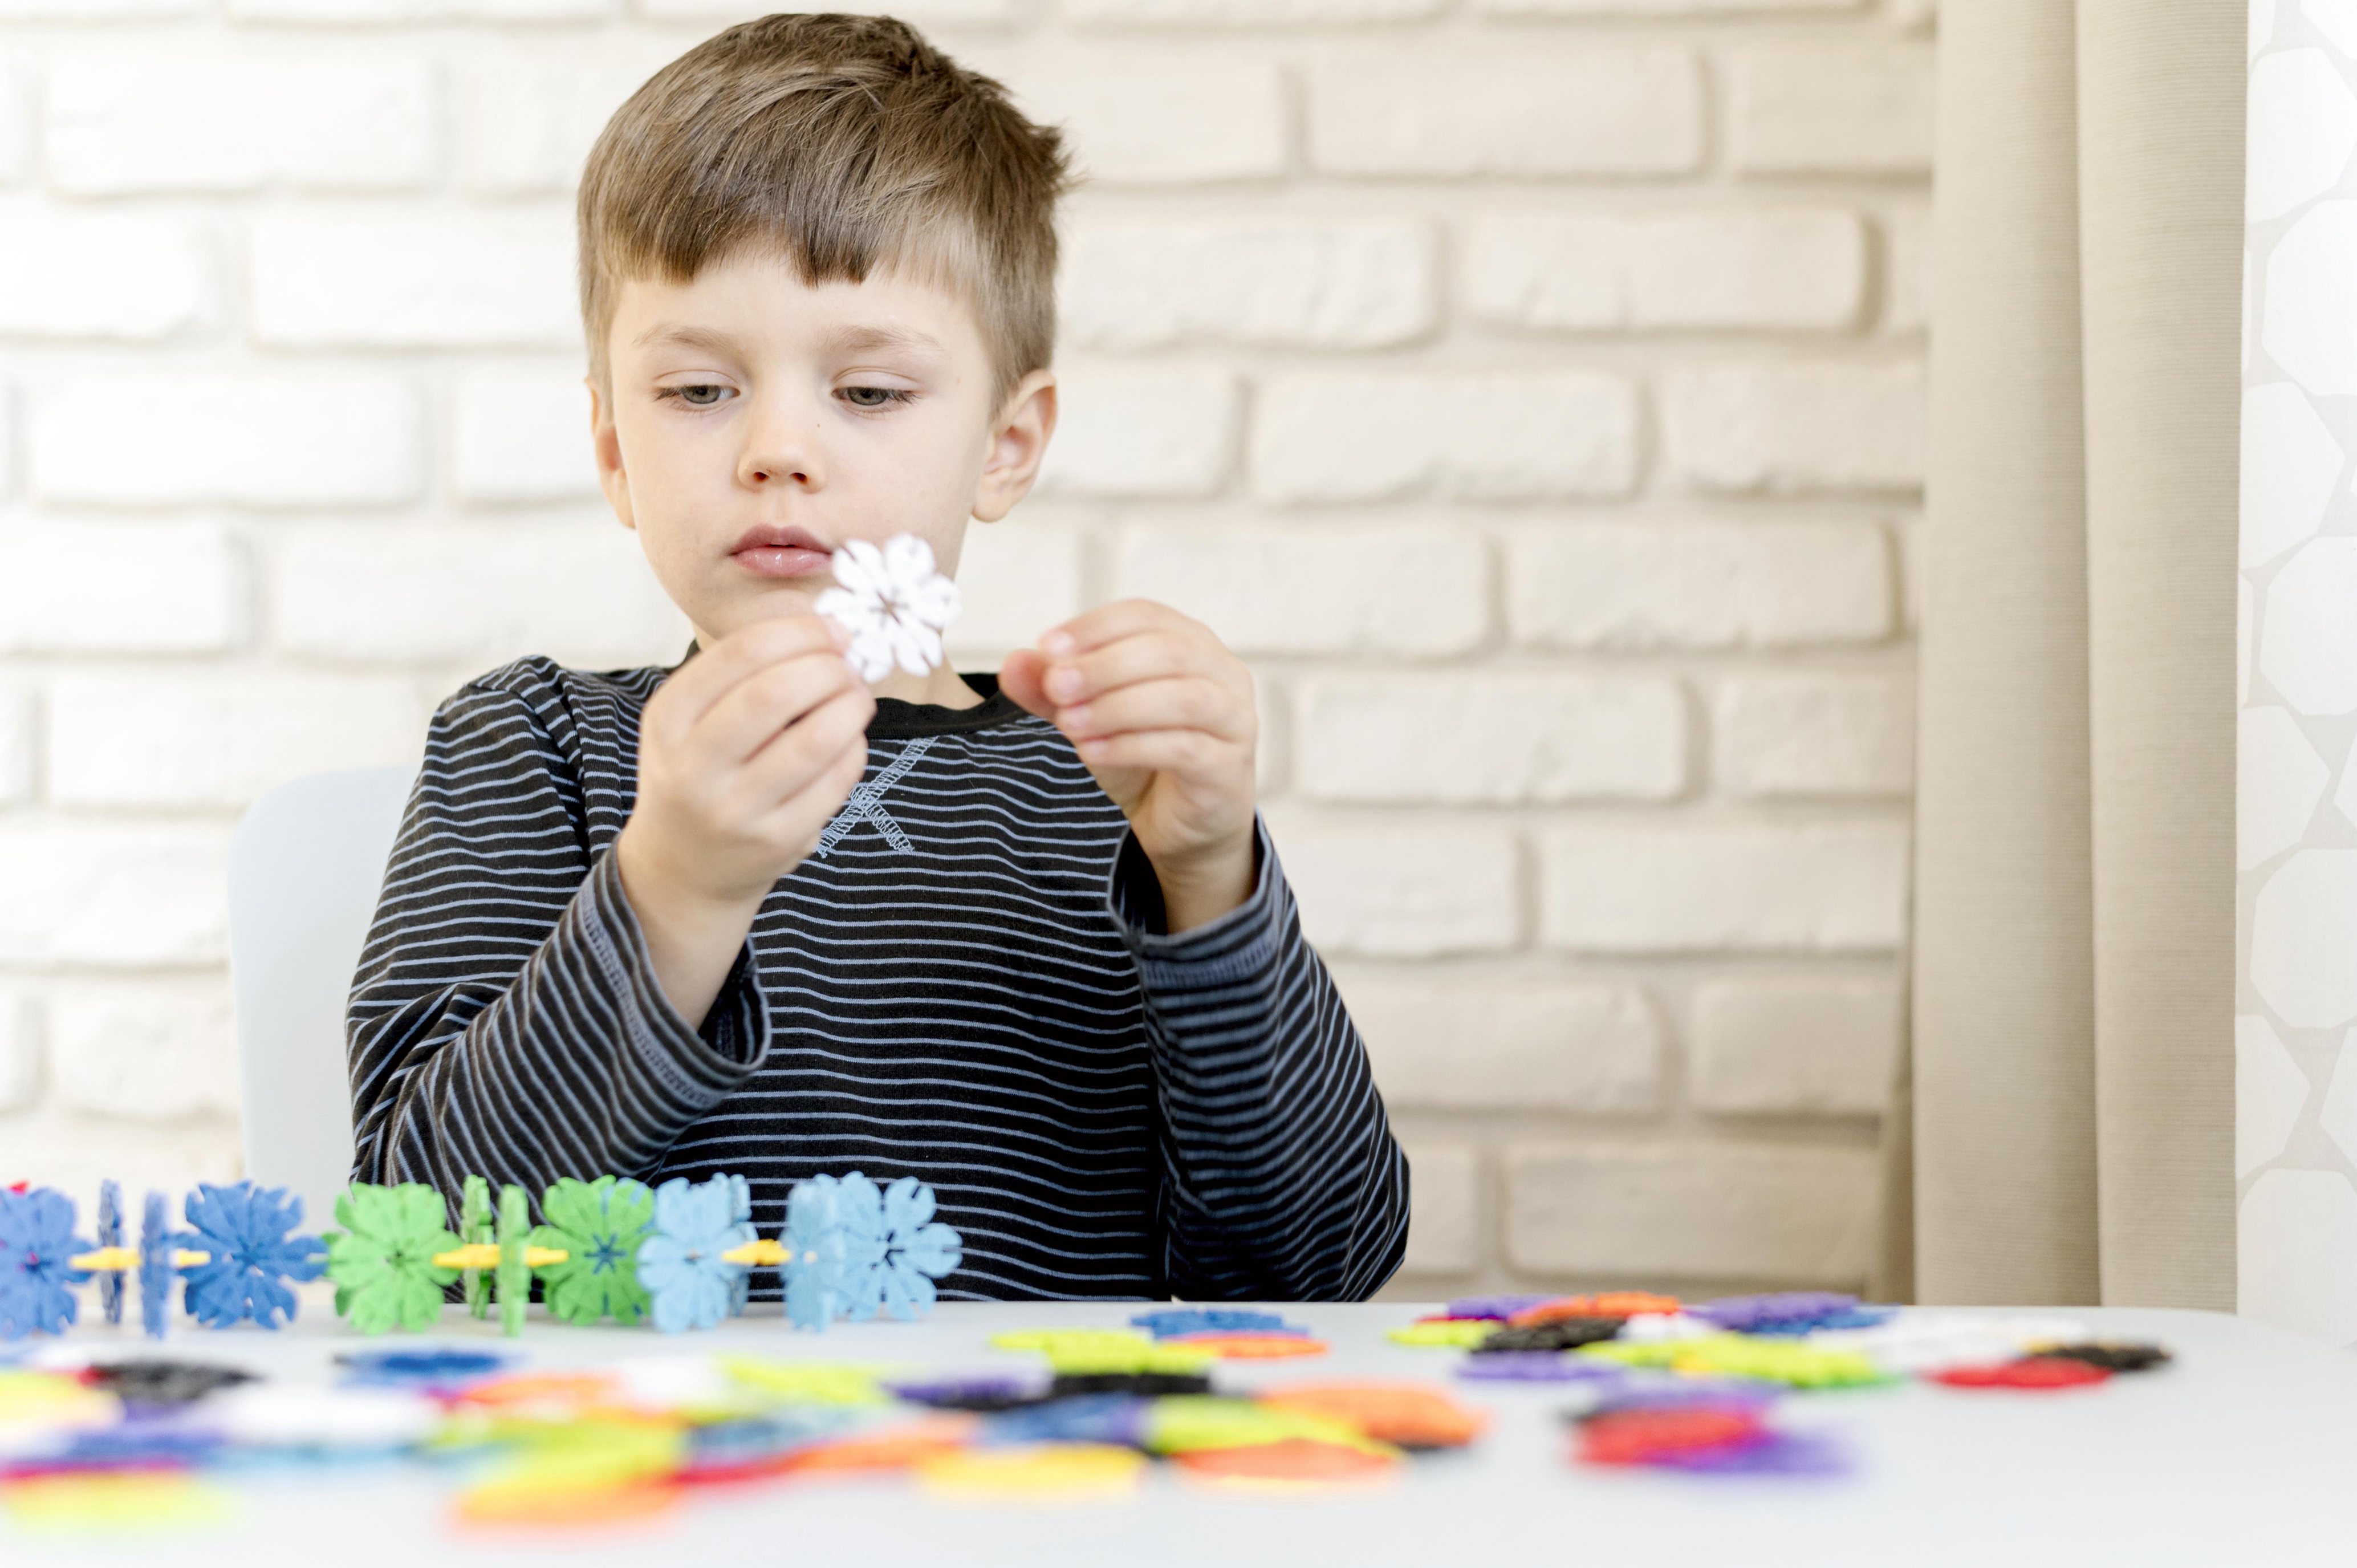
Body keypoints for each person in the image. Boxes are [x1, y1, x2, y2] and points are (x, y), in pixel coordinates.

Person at [346, 13, 1407, 1302]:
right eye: (699, 391)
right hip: (664, 1434)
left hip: (1048, 1430)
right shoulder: (535, 747)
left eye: (867, 392)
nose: (778, 450)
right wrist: (674, 888)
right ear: (616, 449)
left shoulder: (1107, 782)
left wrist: (1208, 878)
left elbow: (1318, 1269)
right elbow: (425, 1246)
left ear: (1006, 446)